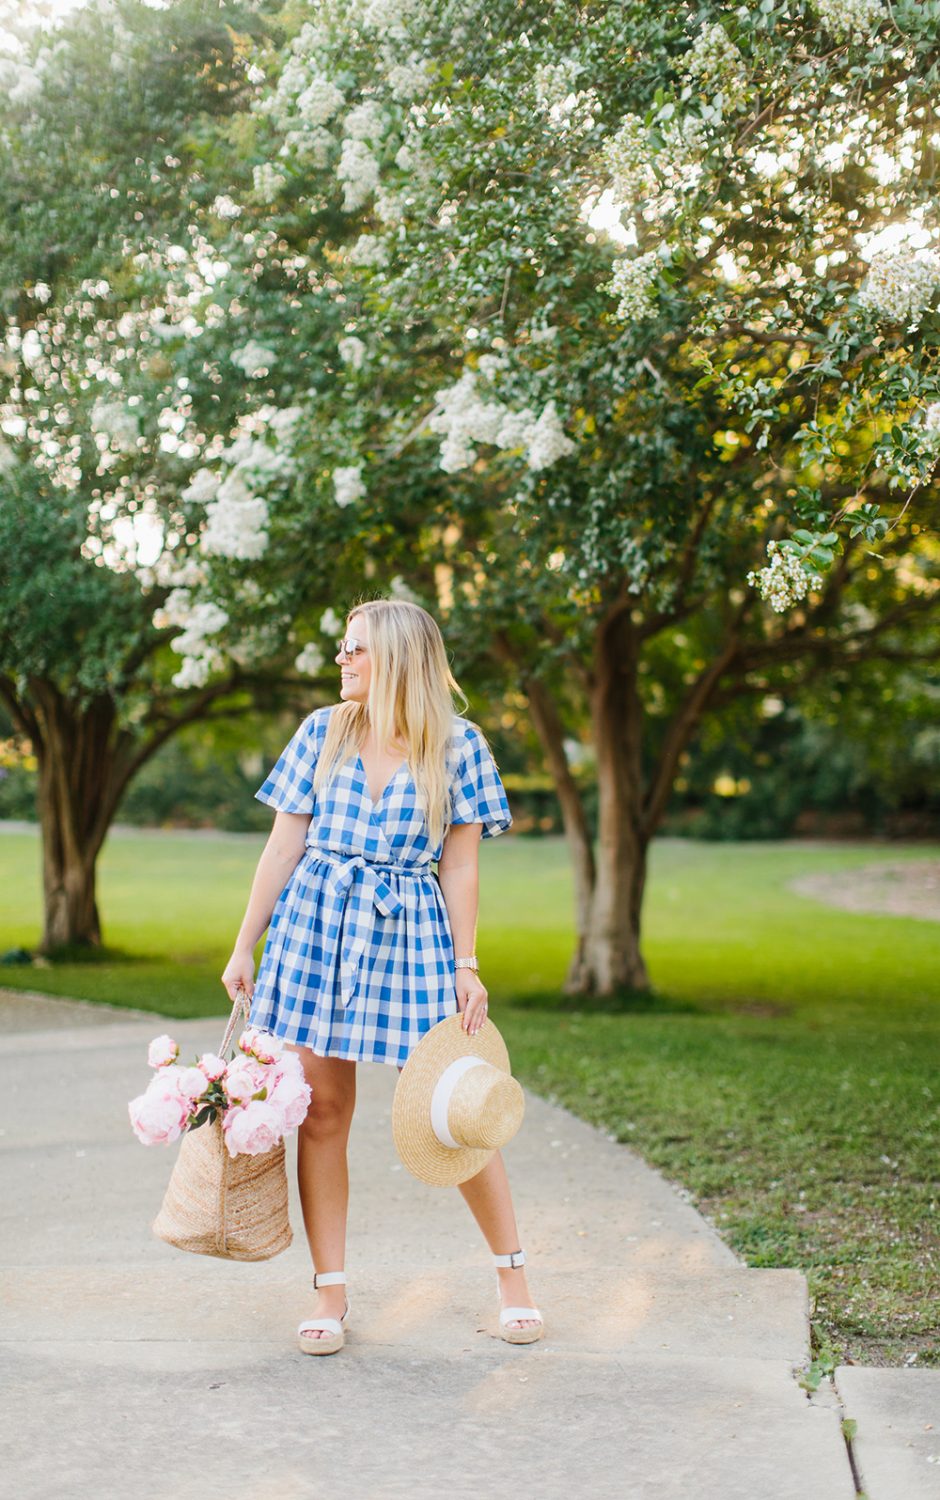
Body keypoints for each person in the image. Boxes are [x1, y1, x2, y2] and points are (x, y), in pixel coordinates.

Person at [220, 597, 543, 1353]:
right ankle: (329, 1296)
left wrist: (468, 965)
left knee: (452, 1111)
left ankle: (514, 1277)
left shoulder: (459, 747)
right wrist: (245, 946)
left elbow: (459, 864)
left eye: (354, 649)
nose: (342, 660)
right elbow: (280, 850)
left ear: (394, 658)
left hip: (411, 934)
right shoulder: (320, 734)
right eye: (342, 648)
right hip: (313, 931)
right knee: (324, 1114)